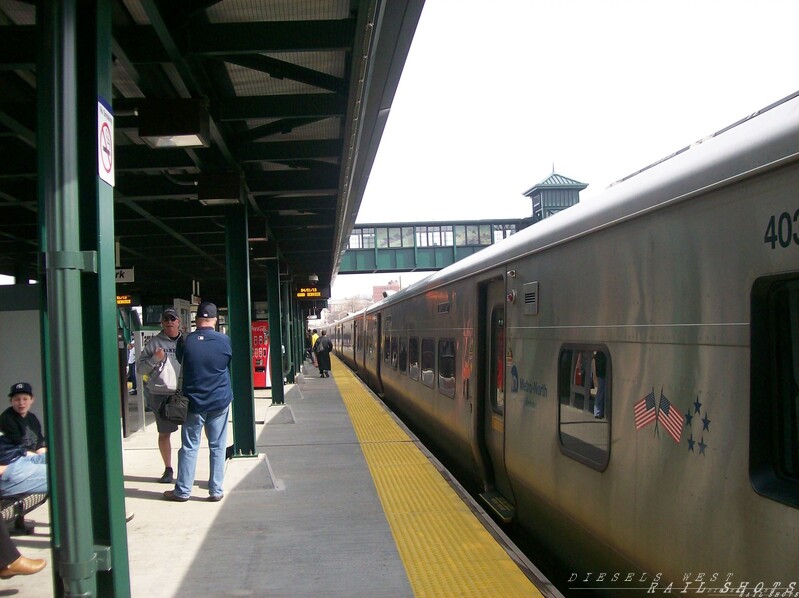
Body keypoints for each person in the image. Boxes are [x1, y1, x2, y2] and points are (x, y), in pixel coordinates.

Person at [164, 302, 232, 502]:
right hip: (219, 401)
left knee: (189, 446)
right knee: (218, 446)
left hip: (193, 403)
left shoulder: (185, 341)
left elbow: (180, 360)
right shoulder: (225, 341)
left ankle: (183, 491)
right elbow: (228, 362)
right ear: (216, 320)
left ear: (196, 320)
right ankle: (216, 490)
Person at [137, 307, 183, 484]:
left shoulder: (186, 341)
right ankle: (168, 468)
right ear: (162, 323)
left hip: (182, 394)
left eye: (173, 318)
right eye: (166, 319)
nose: (170, 321)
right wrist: (155, 359)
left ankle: (186, 468)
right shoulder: (154, 344)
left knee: (190, 432)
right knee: (164, 433)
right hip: (160, 395)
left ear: (179, 321)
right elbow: (140, 369)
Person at [0, 383, 46, 454]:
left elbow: (39, 441)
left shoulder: (32, 418)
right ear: (11, 401)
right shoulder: (6, 418)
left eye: (25, 399)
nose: (21, 403)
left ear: (32, 400)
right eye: (17, 399)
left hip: (34, 454)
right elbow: (17, 444)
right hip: (16, 457)